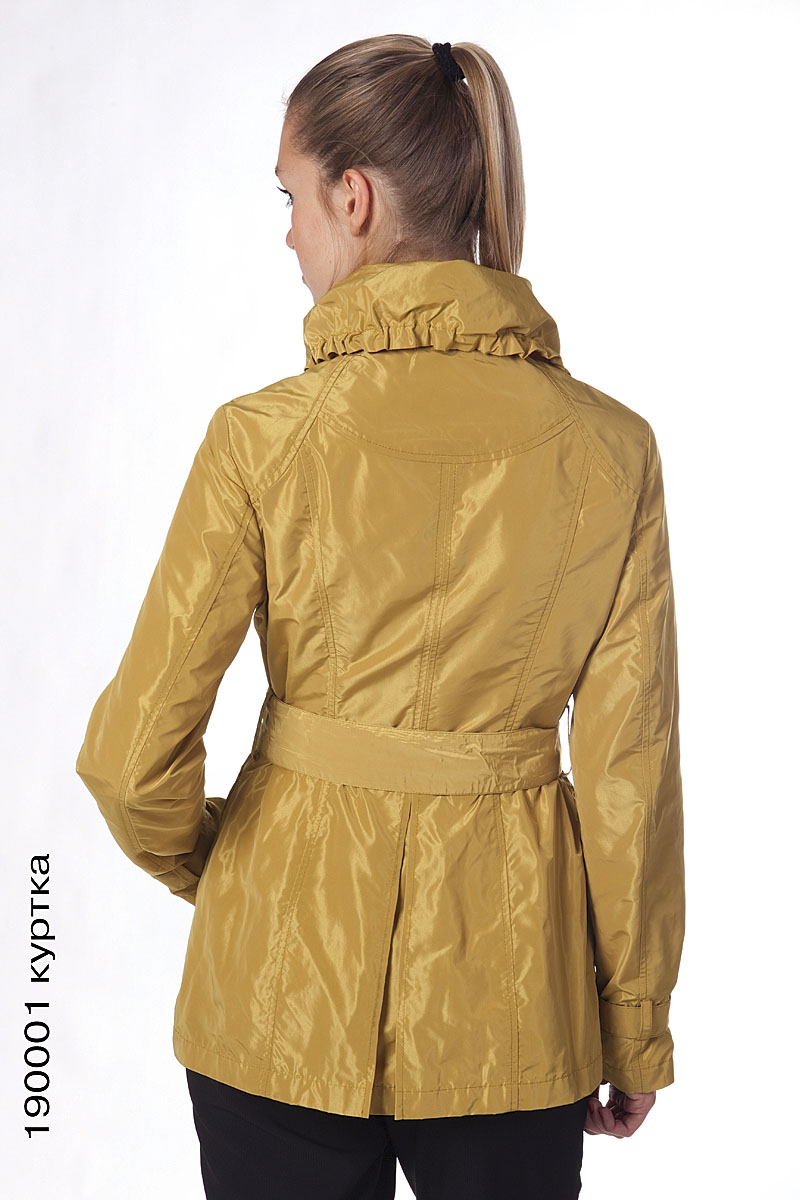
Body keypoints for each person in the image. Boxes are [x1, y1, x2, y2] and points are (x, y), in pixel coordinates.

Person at [75, 34, 685, 1200]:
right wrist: (633, 1023)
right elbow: (629, 777)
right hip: (514, 1003)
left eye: (290, 198)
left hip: (273, 993)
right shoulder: (610, 451)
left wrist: (234, 868)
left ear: (351, 200)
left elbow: (129, 759)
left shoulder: (260, 440)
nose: (287, 234)